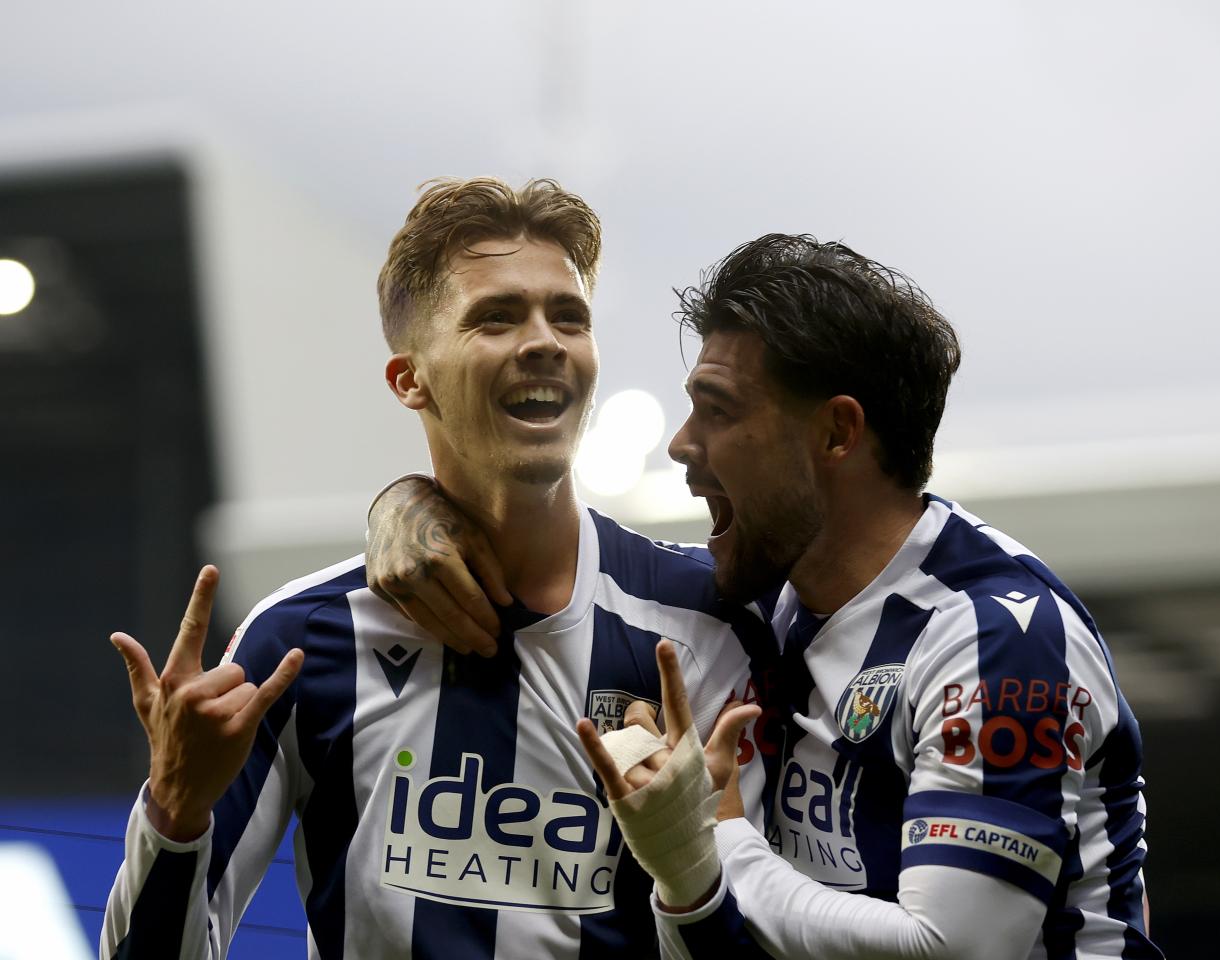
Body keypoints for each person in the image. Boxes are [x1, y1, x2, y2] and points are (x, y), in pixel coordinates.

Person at [368, 235, 1162, 959]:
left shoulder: (995, 637)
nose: (681, 444)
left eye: (718, 410)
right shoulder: (766, 603)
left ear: (835, 434)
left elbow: (954, 951)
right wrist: (408, 505)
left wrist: (717, 840)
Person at [99, 178, 775, 960]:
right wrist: (175, 811)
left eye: (569, 316)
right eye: (496, 317)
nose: (545, 340)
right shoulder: (304, 639)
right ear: (409, 379)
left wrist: (689, 873)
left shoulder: (705, 622)